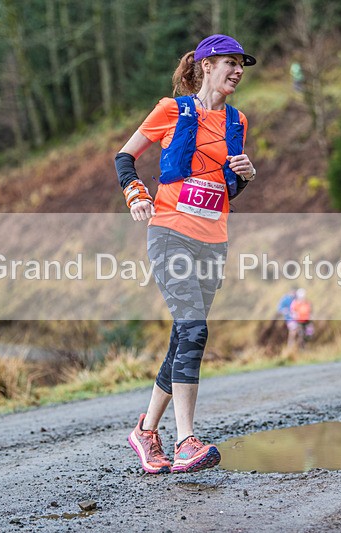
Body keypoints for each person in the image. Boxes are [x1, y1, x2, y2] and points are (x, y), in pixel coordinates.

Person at [115, 34, 257, 474]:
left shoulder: (238, 122)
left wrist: (245, 176)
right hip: (169, 233)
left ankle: (145, 431)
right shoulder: (170, 110)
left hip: (213, 239)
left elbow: (226, 187)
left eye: (241, 64)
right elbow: (125, 157)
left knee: (183, 334)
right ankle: (186, 441)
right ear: (205, 65)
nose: (237, 71)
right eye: (229, 62)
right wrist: (136, 193)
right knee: (194, 330)